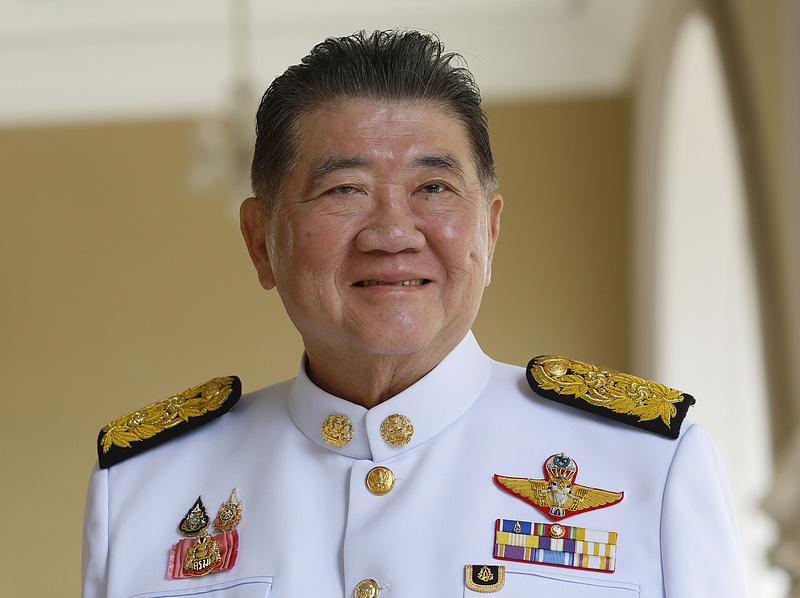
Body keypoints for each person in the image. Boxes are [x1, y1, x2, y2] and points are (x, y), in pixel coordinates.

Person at [82, 30, 748, 598]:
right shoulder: (143, 488)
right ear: (261, 242)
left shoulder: (651, 465)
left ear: (489, 233)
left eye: (433, 187)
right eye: (345, 189)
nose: (393, 233)